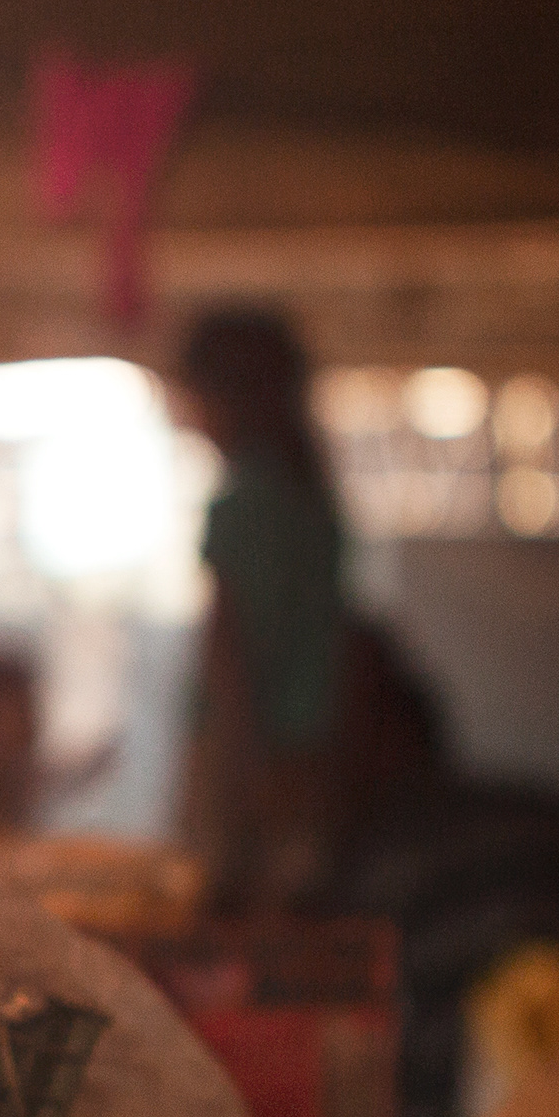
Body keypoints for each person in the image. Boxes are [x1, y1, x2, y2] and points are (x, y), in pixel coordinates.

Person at [175, 306, 350, 914]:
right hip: (311, 753)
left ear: (228, 399)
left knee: (228, 918)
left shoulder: (242, 504)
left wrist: (243, 771)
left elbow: (229, 654)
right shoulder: (313, 504)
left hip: (249, 756)